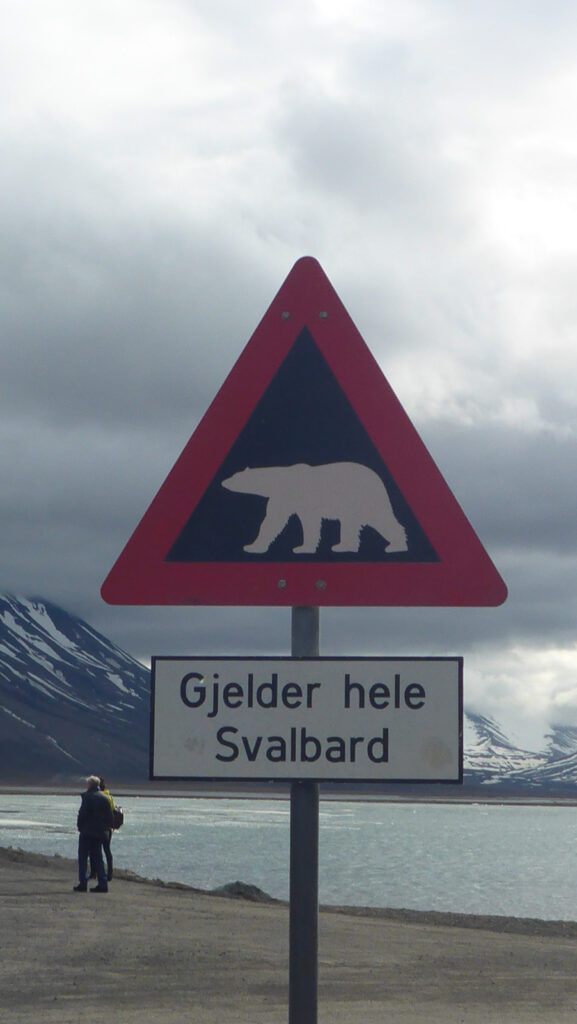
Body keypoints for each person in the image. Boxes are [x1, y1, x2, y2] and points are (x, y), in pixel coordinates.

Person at [74, 775, 114, 893]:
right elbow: (110, 817)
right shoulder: (105, 798)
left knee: (83, 857)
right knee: (98, 858)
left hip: (87, 832)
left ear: (89, 785)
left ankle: (83, 883)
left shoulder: (87, 797)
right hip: (100, 833)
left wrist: (80, 827)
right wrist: (105, 829)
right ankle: (103, 883)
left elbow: (82, 814)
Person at [99, 776, 115, 881]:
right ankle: (110, 873)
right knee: (107, 850)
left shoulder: (98, 796)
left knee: (95, 850)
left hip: (99, 827)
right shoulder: (110, 797)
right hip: (108, 827)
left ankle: (95, 873)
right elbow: (112, 810)